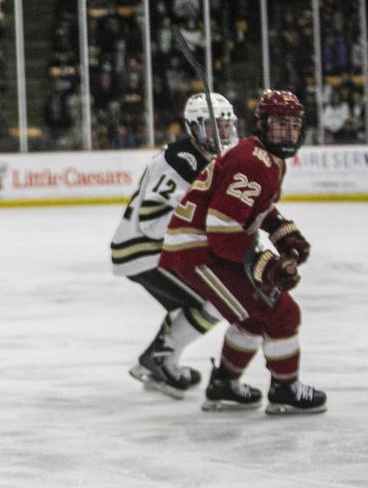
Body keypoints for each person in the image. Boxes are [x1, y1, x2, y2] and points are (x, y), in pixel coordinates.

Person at [159, 89, 325, 415]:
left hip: (210, 246)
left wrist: (281, 230)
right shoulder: (252, 161)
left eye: (294, 124)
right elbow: (222, 231)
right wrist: (266, 262)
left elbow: (253, 208)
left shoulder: (266, 158)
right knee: (280, 311)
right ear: (261, 124)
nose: (289, 131)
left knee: (254, 317)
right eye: (280, 124)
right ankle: (286, 389)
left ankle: (225, 385)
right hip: (200, 250)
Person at [110, 93, 232, 398]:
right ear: (193, 128)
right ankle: (162, 360)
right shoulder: (178, 160)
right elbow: (152, 221)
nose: (222, 133)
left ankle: (155, 362)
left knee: (188, 304)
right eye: (213, 126)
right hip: (144, 250)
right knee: (215, 301)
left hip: (152, 248)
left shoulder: (206, 158)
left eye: (225, 126)